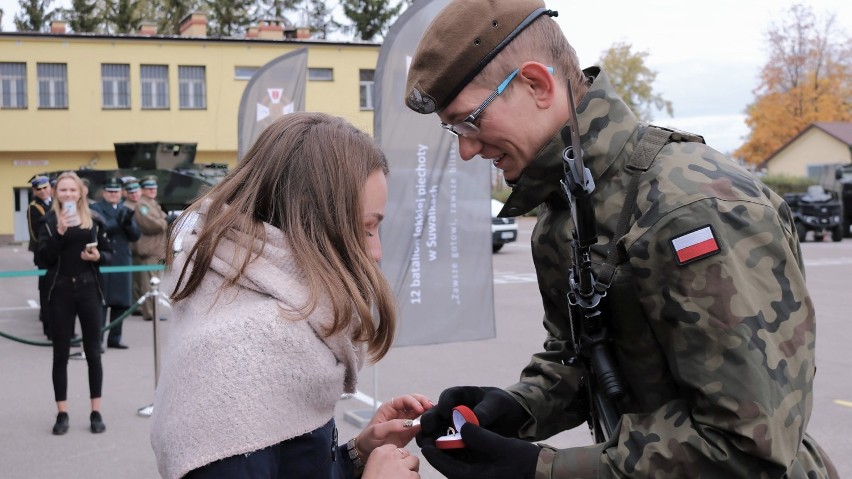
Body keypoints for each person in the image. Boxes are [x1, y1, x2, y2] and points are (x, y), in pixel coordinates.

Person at [404, 1, 838, 478]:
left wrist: (542, 470)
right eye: (453, 129)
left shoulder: (691, 208)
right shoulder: (571, 204)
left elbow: (746, 445)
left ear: (536, 85)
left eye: (471, 120)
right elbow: (587, 356)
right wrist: (514, 409)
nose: (466, 149)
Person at [150, 112, 429, 479]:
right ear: (312, 223)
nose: (375, 252)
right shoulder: (240, 357)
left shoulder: (280, 327)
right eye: (365, 229)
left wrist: (357, 456)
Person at [38, 171, 113, 435]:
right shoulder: (48, 221)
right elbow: (42, 259)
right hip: (60, 291)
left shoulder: (94, 219)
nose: (68, 194)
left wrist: (96, 257)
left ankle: (96, 411)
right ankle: (62, 413)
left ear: (81, 191)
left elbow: (109, 253)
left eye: (73, 190)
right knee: (60, 354)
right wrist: (58, 234)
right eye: (63, 190)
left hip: (89, 290)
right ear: (56, 193)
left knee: (93, 352)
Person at [90, 177, 141, 349]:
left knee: (121, 302)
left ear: (121, 193)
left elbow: (135, 236)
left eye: (117, 192)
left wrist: (127, 223)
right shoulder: (96, 208)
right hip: (105, 259)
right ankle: (98, 340)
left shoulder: (123, 208)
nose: (114, 195)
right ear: (104, 192)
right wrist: (116, 222)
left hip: (122, 260)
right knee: (103, 302)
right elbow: (99, 230)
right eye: (110, 192)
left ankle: (115, 338)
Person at [122, 177, 168, 321]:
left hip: (155, 248)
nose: (153, 190)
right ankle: (150, 312)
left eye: (154, 188)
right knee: (150, 284)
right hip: (149, 248)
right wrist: (165, 222)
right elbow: (154, 225)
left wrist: (164, 221)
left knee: (148, 281)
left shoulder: (150, 203)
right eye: (149, 188)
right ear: (142, 190)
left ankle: (144, 309)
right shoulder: (142, 205)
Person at [27, 175, 53, 339]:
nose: (43, 191)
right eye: (39, 189)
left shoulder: (57, 203)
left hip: (61, 254)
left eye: (45, 188)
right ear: (34, 191)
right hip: (45, 255)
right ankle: (49, 329)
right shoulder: (34, 208)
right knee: (46, 293)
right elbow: (36, 234)